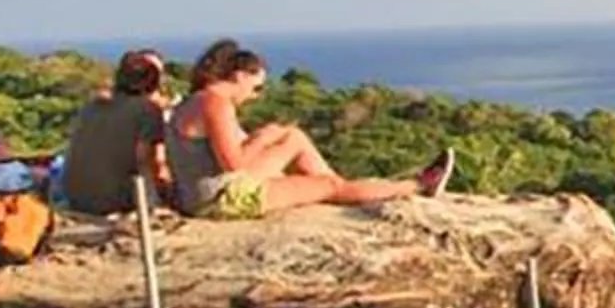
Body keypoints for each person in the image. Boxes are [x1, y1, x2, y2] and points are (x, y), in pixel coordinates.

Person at [166, 40, 452, 218]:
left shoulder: (196, 100)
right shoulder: (215, 103)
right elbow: (235, 165)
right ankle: (417, 186)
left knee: (293, 137)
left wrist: (267, 137)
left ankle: (342, 188)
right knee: (329, 186)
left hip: (204, 193)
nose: (255, 96)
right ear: (239, 76)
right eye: (256, 87)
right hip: (221, 198)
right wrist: (262, 139)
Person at [54, 49, 174, 215]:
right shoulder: (147, 111)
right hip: (113, 202)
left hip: (75, 197)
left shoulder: (91, 106)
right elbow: (147, 159)